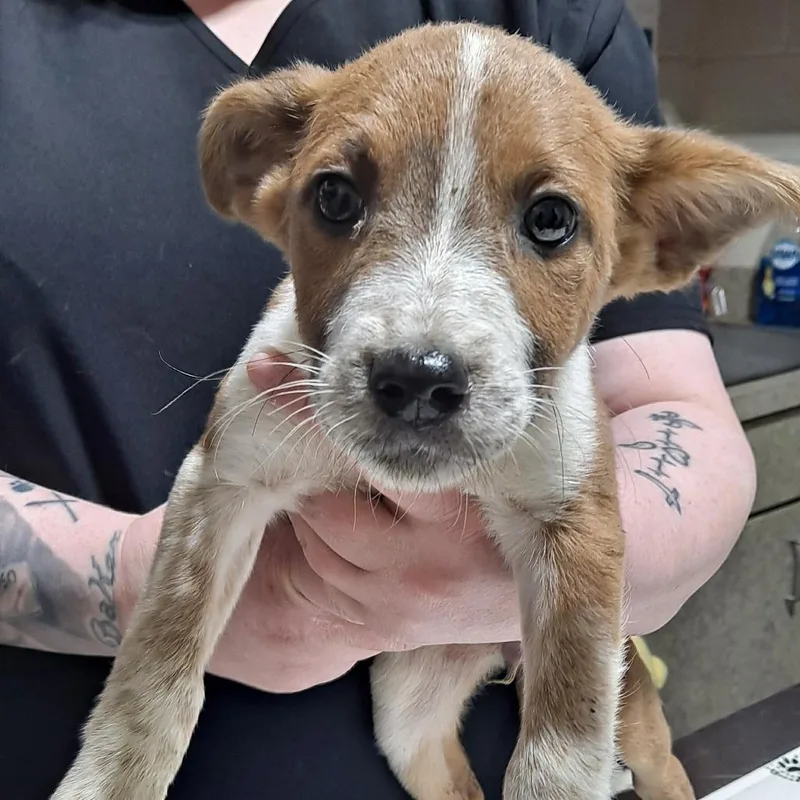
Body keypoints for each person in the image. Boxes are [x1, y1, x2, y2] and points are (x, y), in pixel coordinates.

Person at [0, 1, 756, 798]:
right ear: (269, 186)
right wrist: (134, 603)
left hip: (507, 685)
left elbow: (679, 421)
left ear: (652, 239)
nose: (424, 348)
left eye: (548, 221)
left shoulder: (561, 16)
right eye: (338, 201)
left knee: (628, 733)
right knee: (410, 730)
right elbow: (219, 482)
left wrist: (508, 595)